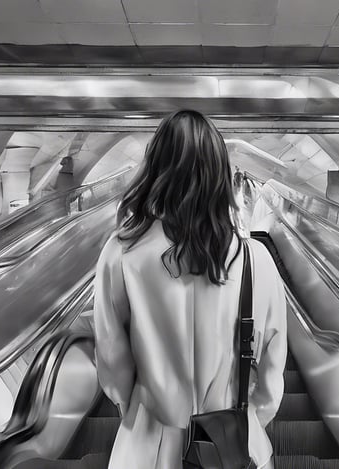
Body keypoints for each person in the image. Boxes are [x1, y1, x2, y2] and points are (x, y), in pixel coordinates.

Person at [93, 110, 287, 469]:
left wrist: (136, 410)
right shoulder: (255, 259)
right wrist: (248, 422)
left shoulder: (121, 254)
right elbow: (273, 369)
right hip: (234, 448)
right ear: (220, 172)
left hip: (146, 448)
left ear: (154, 168)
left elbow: (111, 362)